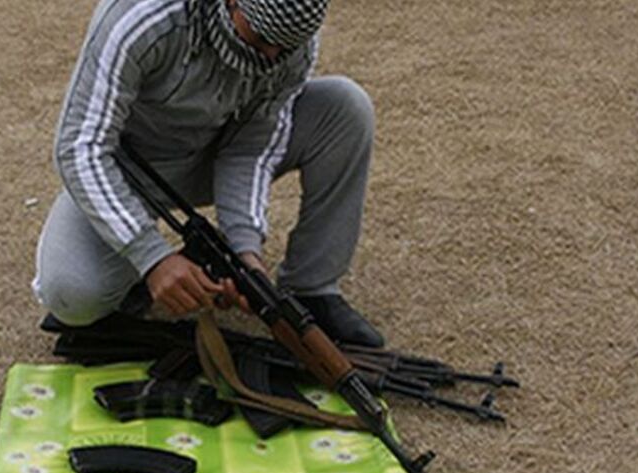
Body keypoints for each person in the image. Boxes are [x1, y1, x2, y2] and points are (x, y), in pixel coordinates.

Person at [32, 0, 385, 347]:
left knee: (345, 108)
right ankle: (135, 280)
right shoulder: (142, 15)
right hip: (131, 171)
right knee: (71, 295)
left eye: (284, 48)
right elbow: (80, 146)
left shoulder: (290, 42)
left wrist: (246, 256)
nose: (270, 56)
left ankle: (312, 289)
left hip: (214, 151)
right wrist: (151, 257)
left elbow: (251, 147)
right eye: (260, 39)